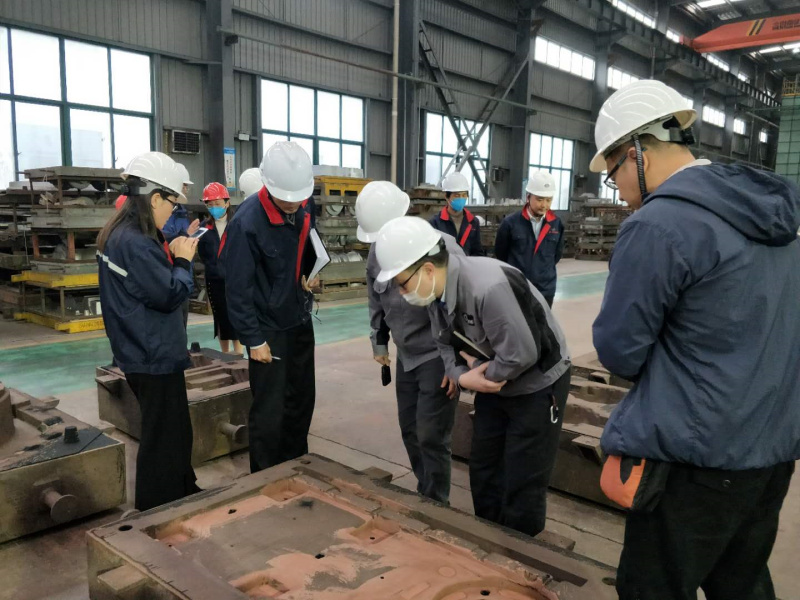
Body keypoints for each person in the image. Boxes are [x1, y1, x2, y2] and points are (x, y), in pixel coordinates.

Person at [590, 79, 800, 600]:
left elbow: (620, 351)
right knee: (741, 582)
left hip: (694, 459)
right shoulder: (778, 220)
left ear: (637, 152)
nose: (618, 190)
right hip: (771, 451)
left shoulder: (659, 225)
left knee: (652, 587)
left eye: (613, 172)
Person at [374, 216, 571, 537]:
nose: (401, 291)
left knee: (522, 477)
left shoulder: (488, 288)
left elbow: (521, 355)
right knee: (484, 468)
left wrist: (480, 371)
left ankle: (521, 552)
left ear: (427, 270)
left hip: (537, 384)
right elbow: (443, 342)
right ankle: (489, 541)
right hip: (492, 381)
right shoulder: (436, 294)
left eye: (402, 283)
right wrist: (462, 377)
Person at [96, 151, 201, 511]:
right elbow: (169, 294)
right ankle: (157, 507)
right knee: (162, 437)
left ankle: (184, 488)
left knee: (175, 429)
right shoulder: (137, 243)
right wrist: (183, 261)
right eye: (172, 202)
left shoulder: (123, 233)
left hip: (143, 348)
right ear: (155, 198)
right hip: (151, 353)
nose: (173, 210)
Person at [357, 181, 462, 504]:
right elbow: (376, 298)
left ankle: (437, 502)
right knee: (410, 429)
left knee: (432, 434)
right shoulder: (377, 252)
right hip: (407, 355)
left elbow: (460, 308)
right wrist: (379, 341)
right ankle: (425, 489)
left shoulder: (441, 247)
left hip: (436, 353)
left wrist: (455, 361)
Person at [221, 141, 320, 473]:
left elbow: (307, 249)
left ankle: (296, 466)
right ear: (268, 185)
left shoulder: (303, 206)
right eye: (285, 198)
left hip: (298, 320)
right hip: (268, 329)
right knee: (270, 410)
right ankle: (265, 476)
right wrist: (253, 339)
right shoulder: (246, 223)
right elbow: (237, 288)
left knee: (301, 400)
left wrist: (310, 275)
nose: (292, 204)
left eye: (298, 198)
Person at [494, 171, 564, 307]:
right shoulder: (510, 223)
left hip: (545, 290)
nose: (544, 205)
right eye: (540, 199)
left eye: (548, 200)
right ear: (528, 197)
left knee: (542, 321)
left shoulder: (556, 224)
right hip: (517, 288)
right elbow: (501, 254)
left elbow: (557, 255)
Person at [197, 182, 242, 355]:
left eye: (217, 203)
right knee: (221, 316)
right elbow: (202, 252)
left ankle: (238, 353)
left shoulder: (238, 224)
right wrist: (215, 266)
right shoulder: (204, 227)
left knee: (236, 315)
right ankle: (225, 353)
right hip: (214, 280)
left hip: (235, 279)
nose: (214, 207)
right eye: (210, 205)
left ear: (227, 203)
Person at [429, 171, 483, 256]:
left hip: (466, 264)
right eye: (457, 196)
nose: (461, 199)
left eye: (464, 195)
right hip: (446, 263)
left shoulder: (473, 222)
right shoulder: (435, 222)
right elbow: (432, 252)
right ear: (446, 196)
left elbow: (477, 251)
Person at [162, 164, 200, 242]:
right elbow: (161, 238)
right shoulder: (159, 210)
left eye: (187, 186)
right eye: (184, 186)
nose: (186, 190)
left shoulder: (182, 211)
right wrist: (185, 234)